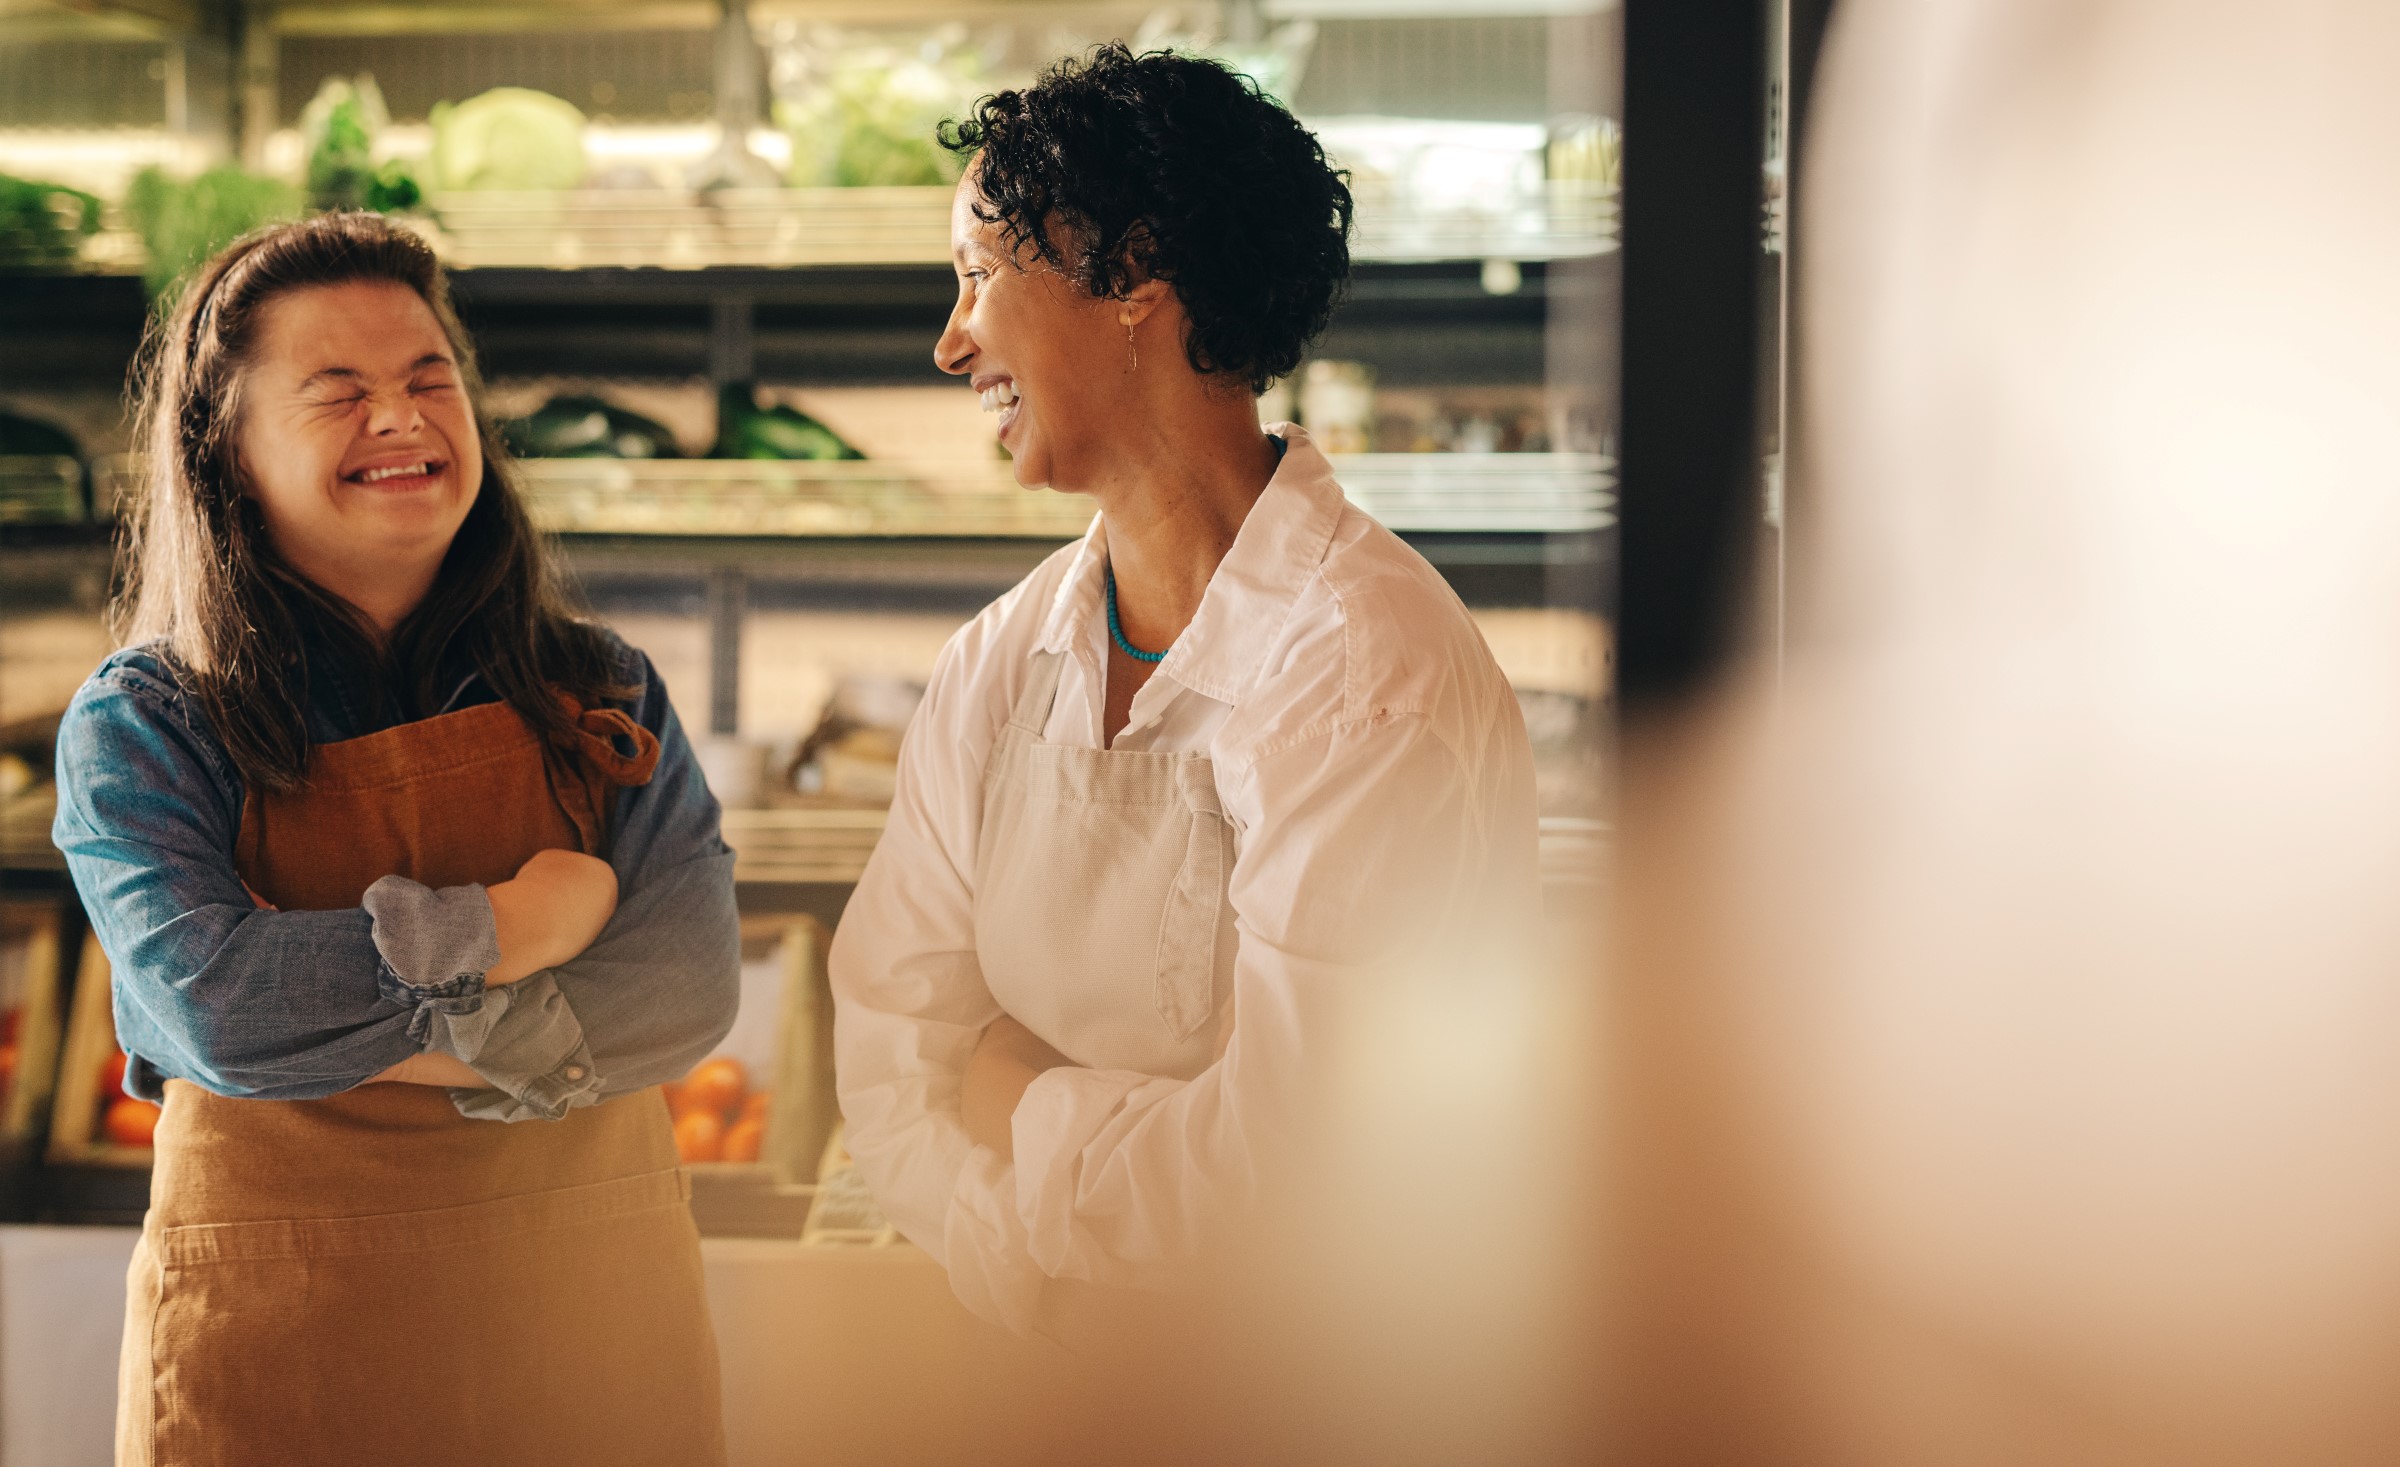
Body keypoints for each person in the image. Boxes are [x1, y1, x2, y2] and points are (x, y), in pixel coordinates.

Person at [829, 45, 1542, 1335]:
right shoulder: (1000, 662)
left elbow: (1285, 1178)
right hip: (1051, 1372)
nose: (950, 343)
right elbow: (890, 1056)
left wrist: (1019, 1096)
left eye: (980, 276)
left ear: (1134, 277)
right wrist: (1051, 1276)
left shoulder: (1364, 678)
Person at [52, 213, 738, 1467]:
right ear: (226, 447)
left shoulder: (601, 689)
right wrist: (514, 930)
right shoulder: (150, 720)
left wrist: (349, 1024)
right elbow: (218, 1007)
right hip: (283, 1333)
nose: (406, 418)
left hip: (587, 1332)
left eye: (431, 381)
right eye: (341, 392)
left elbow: (688, 993)